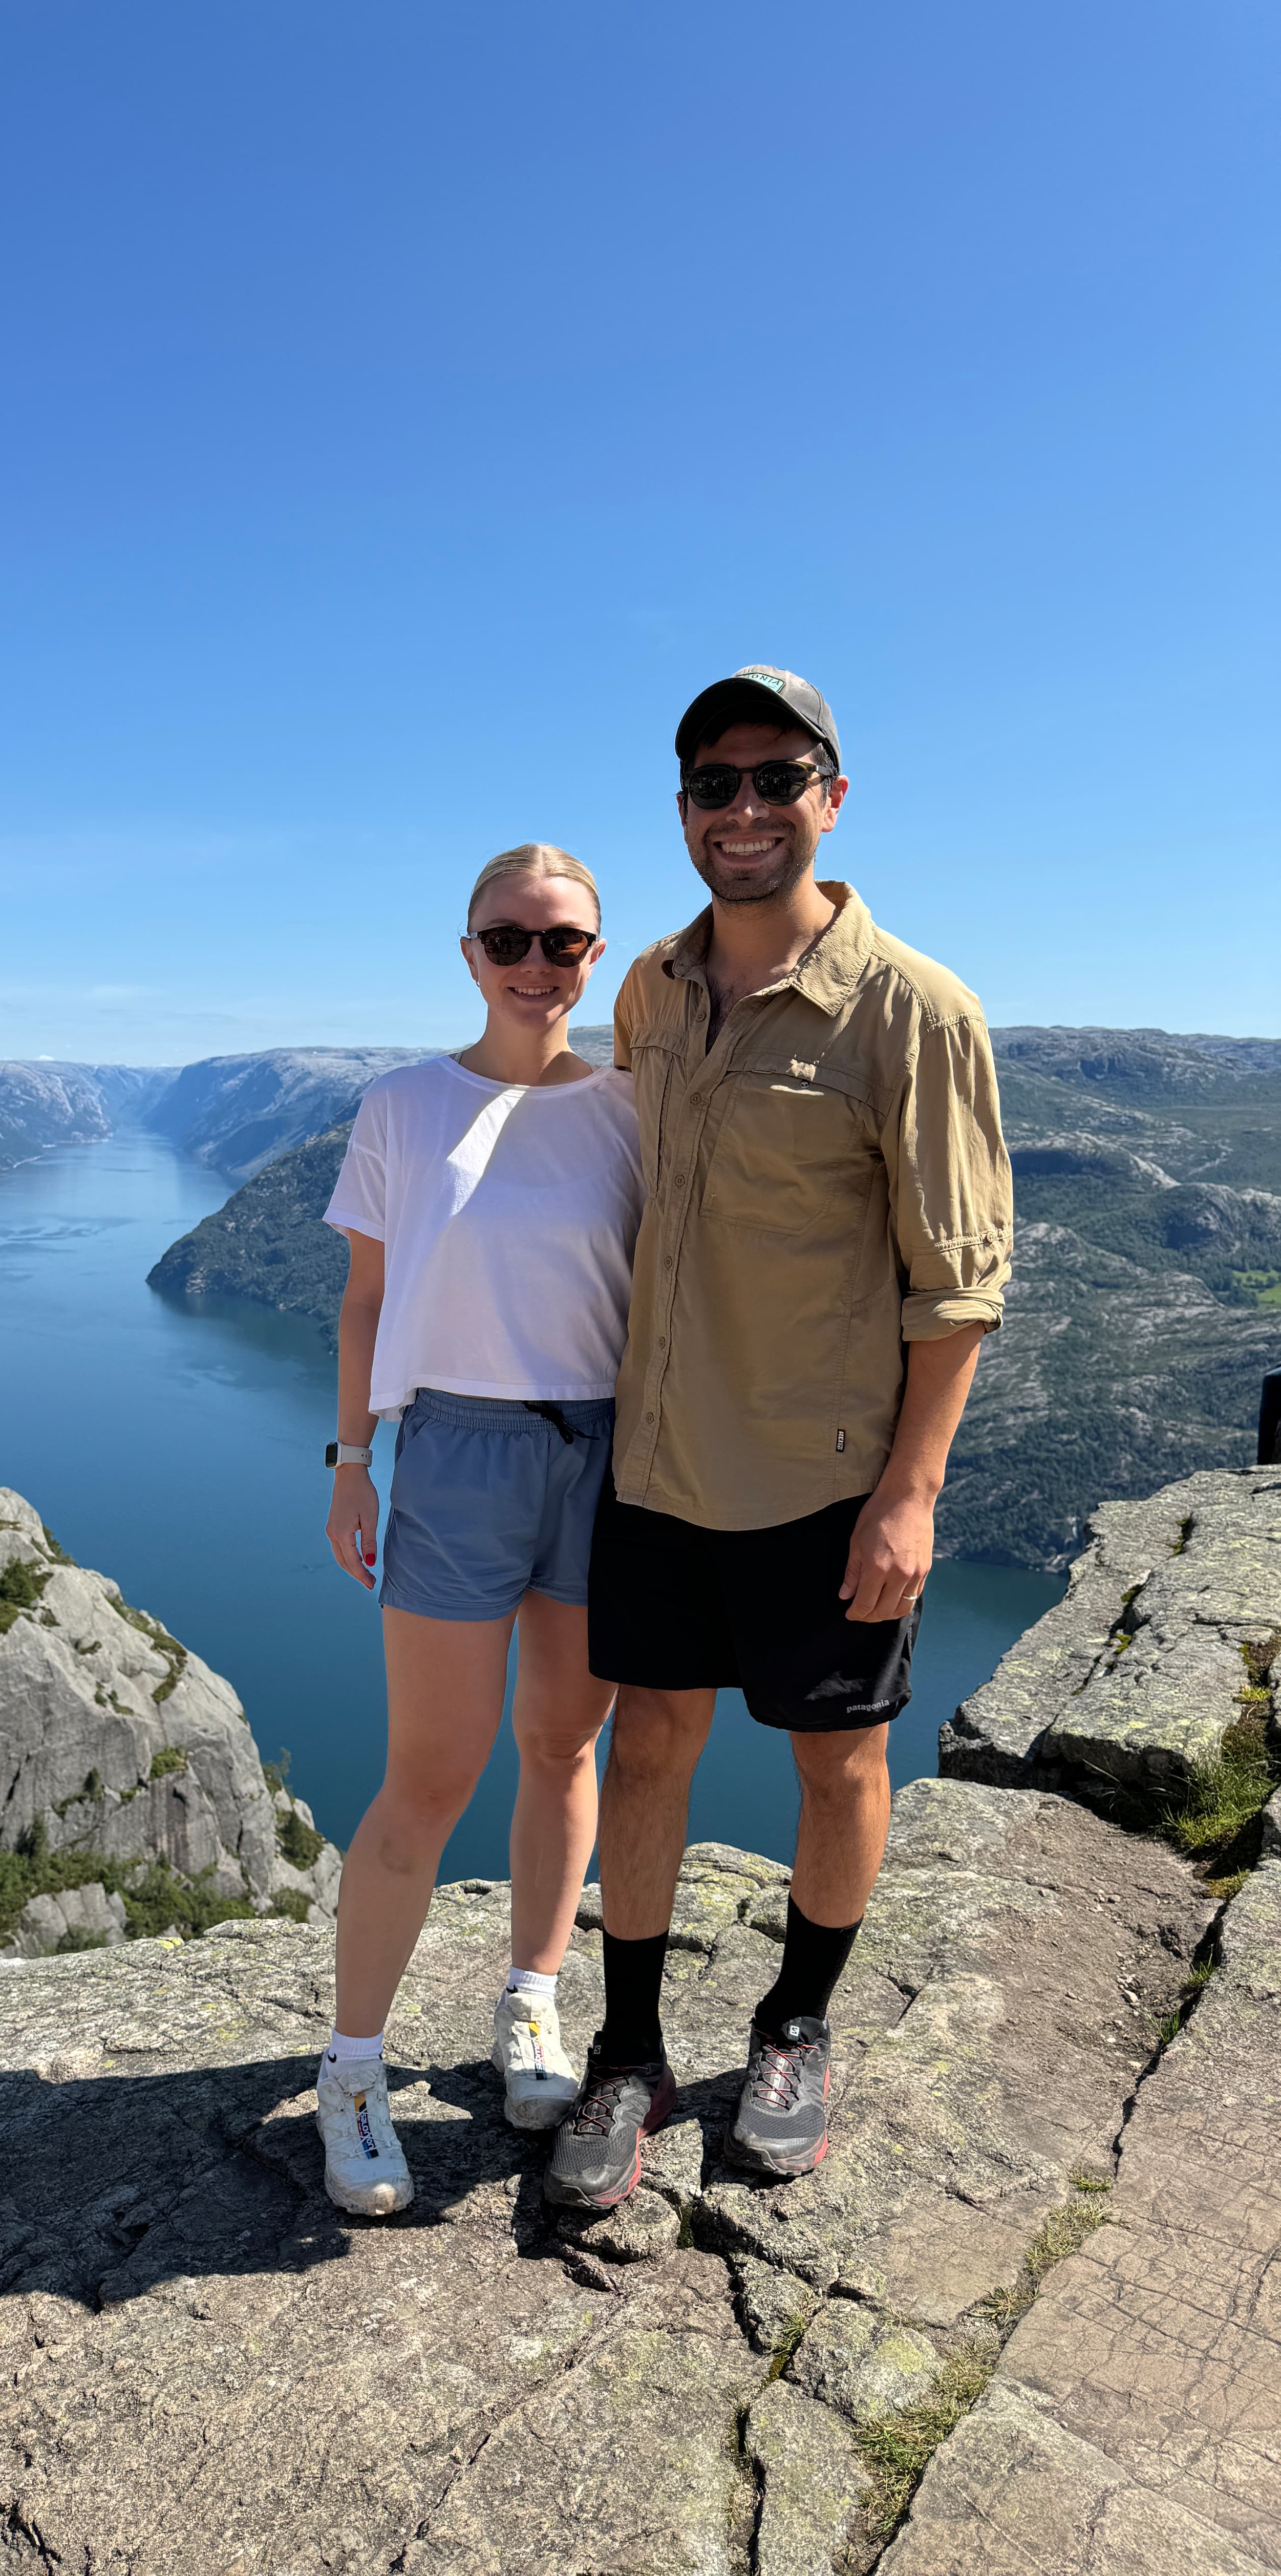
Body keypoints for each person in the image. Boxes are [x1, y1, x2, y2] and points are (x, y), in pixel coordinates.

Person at [547, 666, 1013, 2209]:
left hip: (824, 1483)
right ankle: (630, 2054)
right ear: (683, 810)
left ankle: (796, 2029)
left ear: (832, 792)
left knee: (838, 1763)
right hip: (659, 1464)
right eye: (712, 784)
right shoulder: (653, 994)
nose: (742, 809)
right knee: (655, 1746)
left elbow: (958, 1289)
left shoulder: (914, 1012)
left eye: (775, 777)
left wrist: (912, 1498)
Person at [315, 843, 643, 2217]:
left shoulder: (634, 1108)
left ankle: (530, 2000)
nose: (535, 967)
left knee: (566, 1746)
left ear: (595, 956)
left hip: (606, 1450)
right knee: (428, 1781)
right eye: (508, 941)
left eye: (562, 943)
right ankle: (350, 2071)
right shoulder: (402, 1107)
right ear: (467, 955)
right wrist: (352, 1460)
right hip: (453, 1452)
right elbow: (365, 1303)